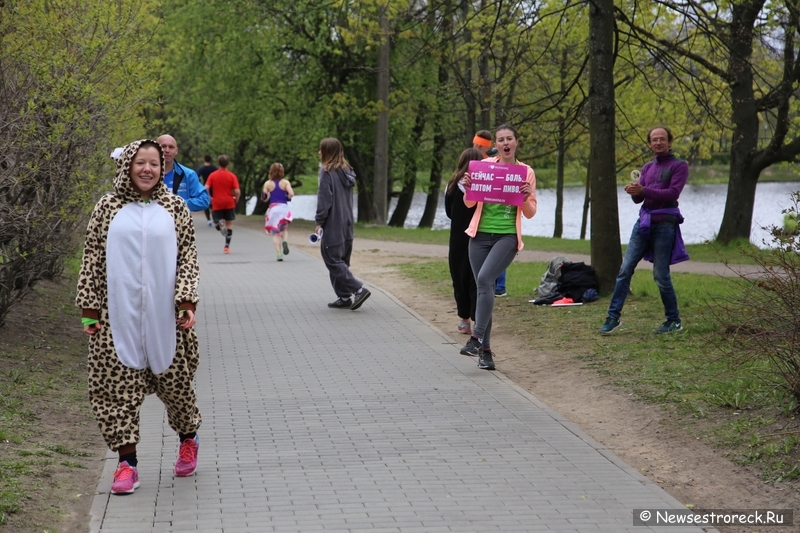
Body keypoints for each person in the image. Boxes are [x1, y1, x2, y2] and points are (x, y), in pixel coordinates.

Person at [76, 139, 202, 495]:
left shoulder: (175, 207)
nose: (147, 169)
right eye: (140, 163)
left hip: (167, 318)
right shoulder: (107, 208)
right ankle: (126, 464)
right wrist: (89, 308)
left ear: (163, 168)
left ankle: (188, 439)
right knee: (115, 392)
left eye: (154, 163)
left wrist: (186, 301)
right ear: (127, 165)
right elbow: (92, 260)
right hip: (119, 316)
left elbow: (188, 258)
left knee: (178, 387)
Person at [460, 124, 537, 370]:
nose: (505, 143)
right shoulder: (485, 167)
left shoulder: (525, 172)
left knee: (484, 280)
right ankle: (486, 352)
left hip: (506, 237)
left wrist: (525, 199)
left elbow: (531, 213)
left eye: (509, 139)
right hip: (478, 237)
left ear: (516, 142)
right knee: (485, 291)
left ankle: (475, 337)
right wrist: (469, 185)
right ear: (496, 144)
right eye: (501, 139)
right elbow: (469, 203)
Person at [599, 126, 689, 335]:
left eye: (662, 139)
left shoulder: (679, 166)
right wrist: (634, 192)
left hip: (665, 223)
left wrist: (643, 190)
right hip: (644, 222)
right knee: (624, 270)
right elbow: (640, 198)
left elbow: (672, 193)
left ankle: (674, 320)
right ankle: (613, 317)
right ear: (649, 144)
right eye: (654, 140)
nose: (658, 142)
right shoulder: (647, 167)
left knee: (660, 275)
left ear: (669, 142)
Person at [315, 138, 371, 311]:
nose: (319, 153)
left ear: (327, 152)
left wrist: (319, 222)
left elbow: (325, 200)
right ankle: (344, 296)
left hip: (333, 223)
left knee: (332, 260)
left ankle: (358, 289)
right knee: (342, 262)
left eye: (321, 150)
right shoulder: (347, 171)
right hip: (347, 223)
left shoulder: (327, 172)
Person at [445, 148, 482, 335]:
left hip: (457, 237)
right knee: (475, 279)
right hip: (478, 235)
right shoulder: (482, 186)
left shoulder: (451, 184)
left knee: (459, 277)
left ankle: (464, 319)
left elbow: (449, 213)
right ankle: (478, 320)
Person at [473, 130, 506, 296]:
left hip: (501, 226)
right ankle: (497, 287)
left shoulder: (487, 165)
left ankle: (500, 286)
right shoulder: (482, 164)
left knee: (495, 258)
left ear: (480, 145)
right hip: (482, 227)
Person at [156, 135, 210, 212]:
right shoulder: (145, 173)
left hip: (178, 223)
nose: (167, 150)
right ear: (155, 148)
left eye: (171, 147)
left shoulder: (188, 174)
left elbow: (204, 200)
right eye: (163, 146)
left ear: (176, 151)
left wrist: (177, 204)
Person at [205, 155, 240, 253]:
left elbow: (206, 187)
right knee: (229, 223)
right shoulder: (232, 176)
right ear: (228, 164)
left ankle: (219, 225)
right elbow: (237, 191)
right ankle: (227, 246)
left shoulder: (212, 175)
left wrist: (209, 197)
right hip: (229, 202)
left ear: (218, 163)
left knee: (217, 220)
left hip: (217, 202)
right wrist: (236, 199)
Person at [262, 163, 295, 261]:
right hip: (283, 209)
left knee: (275, 233)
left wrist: (267, 196)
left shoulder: (267, 183)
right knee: (284, 230)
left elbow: (264, 198)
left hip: (273, 209)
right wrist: (287, 197)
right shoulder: (285, 182)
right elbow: (291, 194)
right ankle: (284, 241)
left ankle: (279, 253)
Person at [196, 155, 217, 226]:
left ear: (204, 160)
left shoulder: (202, 169)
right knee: (214, 203)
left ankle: (208, 220)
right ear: (210, 160)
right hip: (214, 187)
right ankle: (215, 218)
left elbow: (196, 176)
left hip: (205, 186)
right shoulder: (214, 169)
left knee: (206, 203)